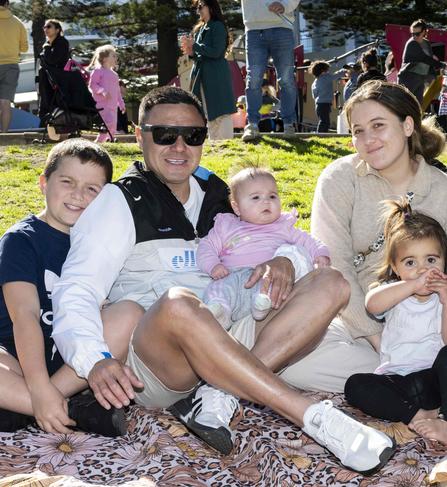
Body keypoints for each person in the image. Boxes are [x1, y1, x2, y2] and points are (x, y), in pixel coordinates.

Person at [51, 86, 395, 474]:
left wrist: (285, 259)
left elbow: (281, 235)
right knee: (179, 303)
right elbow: (77, 288)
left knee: (331, 282)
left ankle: (220, 394)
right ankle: (313, 417)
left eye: (193, 135)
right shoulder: (120, 202)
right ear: (139, 134)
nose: (179, 146)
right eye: (165, 134)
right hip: (164, 358)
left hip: (235, 329)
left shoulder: (218, 193)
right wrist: (93, 360)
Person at [311, 80, 447, 360]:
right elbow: (334, 266)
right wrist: (379, 342)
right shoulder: (339, 179)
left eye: (378, 125)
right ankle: (407, 383)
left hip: (424, 332)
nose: (367, 140)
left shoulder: (443, 191)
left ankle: (413, 381)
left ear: (408, 126)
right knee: (299, 362)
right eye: (358, 131)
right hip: (355, 325)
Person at [0, 139, 143, 436]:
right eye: (67, 182)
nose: (78, 195)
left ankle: (27, 408)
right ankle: (70, 411)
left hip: (73, 367)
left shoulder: (104, 244)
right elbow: (24, 316)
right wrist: (38, 388)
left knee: (129, 313)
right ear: (43, 183)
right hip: (17, 360)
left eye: (92, 189)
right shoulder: (21, 240)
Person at [345, 199, 447, 447]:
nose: (422, 270)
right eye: (410, 263)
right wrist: (411, 286)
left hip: (434, 379)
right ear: (395, 267)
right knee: (355, 385)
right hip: (398, 380)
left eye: (431, 260)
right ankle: (419, 416)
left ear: (445, 262)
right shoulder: (395, 291)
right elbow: (372, 304)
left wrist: (446, 299)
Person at [198, 167, 330, 326]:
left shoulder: (283, 226)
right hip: (231, 274)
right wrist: (213, 265)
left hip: (266, 274)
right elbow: (206, 246)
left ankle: (261, 305)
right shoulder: (226, 226)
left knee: (271, 286)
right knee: (217, 289)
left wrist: (320, 254)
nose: (266, 201)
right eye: (256, 197)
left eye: (272, 196)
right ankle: (220, 312)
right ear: (237, 207)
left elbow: (308, 240)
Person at [240, 0, 299, 142]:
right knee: (253, 78)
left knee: (286, 79)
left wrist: (285, 5)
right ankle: (252, 125)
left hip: (282, 26)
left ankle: (288, 124)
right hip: (253, 29)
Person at [180, 0, 235, 141]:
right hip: (203, 74)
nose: (198, 11)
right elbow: (199, 54)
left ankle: (225, 142)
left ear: (211, 7)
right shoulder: (202, 28)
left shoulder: (218, 26)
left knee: (220, 111)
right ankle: (215, 143)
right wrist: (190, 50)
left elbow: (217, 52)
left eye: (200, 7)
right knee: (209, 111)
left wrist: (195, 46)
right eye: (197, 8)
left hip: (216, 75)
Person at [397, 19, 443, 104]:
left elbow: (430, 60)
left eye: (417, 34)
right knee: (406, 105)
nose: (414, 36)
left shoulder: (427, 43)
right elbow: (425, 58)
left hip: (420, 78)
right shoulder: (412, 43)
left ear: (424, 32)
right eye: (412, 34)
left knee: (418, 106)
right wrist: (442, 65)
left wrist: (433, 75)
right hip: (408, 78)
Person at [0, 0, 28, 132]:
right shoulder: (17, 23)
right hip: (11, 66)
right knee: (5, 103)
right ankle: (3, 135)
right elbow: (24, 48)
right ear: (7, 4)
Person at [88, 45, 126, 143]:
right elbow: (92, 85)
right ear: (104, 58)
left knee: (112, 125)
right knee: (107, 124)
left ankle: (109, 141)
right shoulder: (97, 71)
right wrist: (103, 91)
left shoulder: (114, 74)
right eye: (113, 56)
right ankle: (99, 142)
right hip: (102, 104)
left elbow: (117, 91)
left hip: (113, 106)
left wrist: (121, 103)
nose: (116, 58)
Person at [38, 19, 70, 125]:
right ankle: (44, 124)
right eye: (44, 27)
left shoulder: (61, 42)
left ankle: (55, 124)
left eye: (49, 27)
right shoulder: (47, 43)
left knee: (54, 101)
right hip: (46, 78)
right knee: (45, 100)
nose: (45, 29)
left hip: (57, 78)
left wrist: (47, 48)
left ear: (57, 30)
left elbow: (52, 60)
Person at [309, 60, 344, 133]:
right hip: (324, 104)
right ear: (323, 71)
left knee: (323, 121)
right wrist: (344, 70)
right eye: (327, 70)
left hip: (318, 104)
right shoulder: (326, 77)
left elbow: (314, 95)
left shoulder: (315, 81)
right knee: (325, 122)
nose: (328, 71)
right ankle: (320, 135)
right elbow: (336, 76)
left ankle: (320, 134)